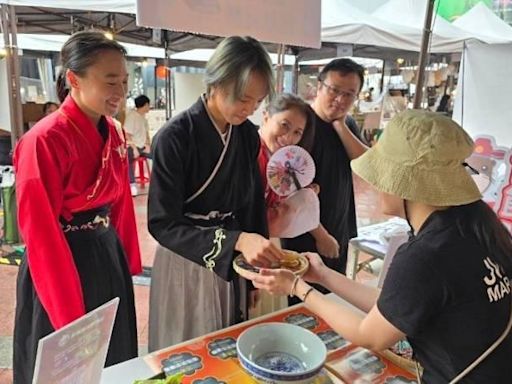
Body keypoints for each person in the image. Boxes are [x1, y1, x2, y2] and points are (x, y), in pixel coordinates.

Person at [239, 110, 512, 383]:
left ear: (406, 185)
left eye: (380, 174)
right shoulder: (473, 227)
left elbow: (369, 335)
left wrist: (297, 288)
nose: (372, 183)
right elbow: (392, 305)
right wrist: (321, 274)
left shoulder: (426, 255)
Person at [13, 31, 142, 383]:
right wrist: (70, 316)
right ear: (74, 79)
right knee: (67, 358)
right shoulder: (42, 141)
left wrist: (127, 257)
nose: (120, 91)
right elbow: (40, 234)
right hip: (61, 258)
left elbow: (120, 204)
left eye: (125, 81)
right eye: (110, 81)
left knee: (112, 353)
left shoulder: (113, 132)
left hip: (105, 250)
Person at [147, 35, 282, 351]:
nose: (248, 109)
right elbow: (162, 223)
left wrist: (255, 271)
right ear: (216, 82)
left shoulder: (247, 136)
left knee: (224, 342)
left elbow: (251, 206)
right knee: (186, 344)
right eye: (242, 99)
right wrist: (235, 242)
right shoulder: (175, 137)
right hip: (185, 255)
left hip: (231, 255)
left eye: (257, 102)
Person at [282, 58, 367, 304]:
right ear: (318, 87)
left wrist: (341, 127)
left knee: (332, 297)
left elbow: (365, 166)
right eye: (334, 91)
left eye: (349, 94)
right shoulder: (303, 125)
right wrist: (320, 235)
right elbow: (288, 188)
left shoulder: (347, 123)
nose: (340, 100)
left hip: (338, 224)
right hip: (305, 233)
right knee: (303, 299)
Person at [257, 93, 315, 237]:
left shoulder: (283, 162)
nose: (288, 137)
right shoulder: (250, 153)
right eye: (284, 125)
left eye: (297, 132)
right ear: (266, 117)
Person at [125, 94, 152, 196]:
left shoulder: (143, 118)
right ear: (145, 105)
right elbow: (127, 134)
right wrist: (134, 148)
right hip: (134, 147)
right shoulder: (132, 116)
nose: (149, 107)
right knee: (127, 159)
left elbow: (147, 134)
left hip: (143, 147)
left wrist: (148, 145)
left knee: (160, 154)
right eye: (148, 105)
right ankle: (132, 184)